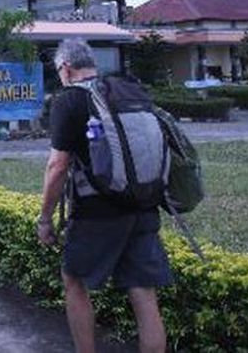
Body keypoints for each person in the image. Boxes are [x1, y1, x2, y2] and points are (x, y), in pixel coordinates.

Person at [37, 39, 172, 353]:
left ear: (66, 69)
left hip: (96, 214)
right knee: (143, 293)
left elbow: (57, 166)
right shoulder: (127, 89)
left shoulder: (69, 99)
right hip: (144, 204)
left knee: (74, 282)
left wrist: (45, 219)